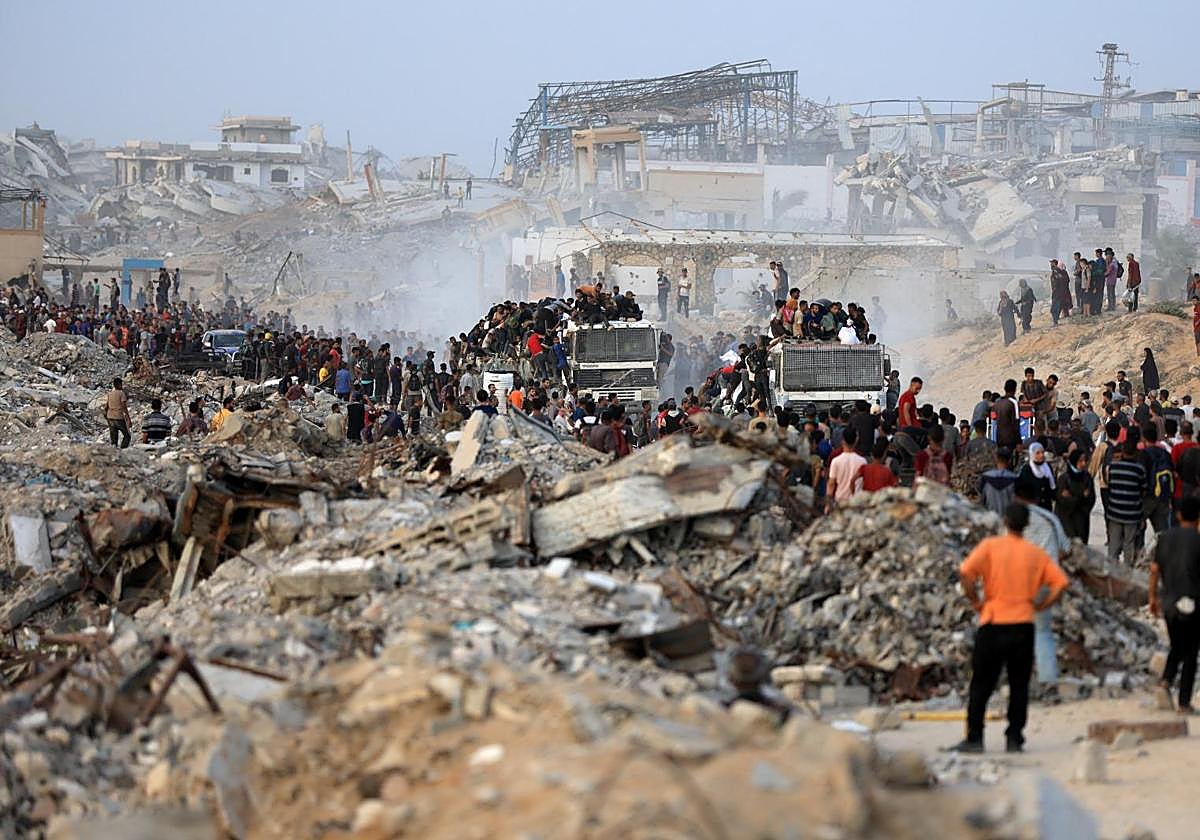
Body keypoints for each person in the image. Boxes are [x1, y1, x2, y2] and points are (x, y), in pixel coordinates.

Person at [950, 503, 1069, 753]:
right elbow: (1060, 583)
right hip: (1023, 624)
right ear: (1026, 525)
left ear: (1005, 521)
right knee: (1019, 683)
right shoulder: (1035, 554)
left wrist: (976, 602)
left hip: (993, 621)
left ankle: (975, 737)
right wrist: (1042, 604)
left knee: (981, 683)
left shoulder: (990, 547)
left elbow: (966, 575)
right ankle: (1014, 737)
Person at [1149, 497, 1200, 713]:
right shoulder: (1198, 540)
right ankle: (1183, 703)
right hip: (1193, 602)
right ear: (1198, 518)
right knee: (1190, 653)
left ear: (1178, 515)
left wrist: (1152, 597)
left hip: (1169, 603)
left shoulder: (1165, 538)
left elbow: (1153, 570)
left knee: (1178, 645)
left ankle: (1166, 680)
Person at [1105, 439, 1148, 564]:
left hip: (1114, 511)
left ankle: (1113, 572)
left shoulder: (1113, 467)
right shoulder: (1139, 469)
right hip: (1132, 514)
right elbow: (1143, 491)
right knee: (1129, 544)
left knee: (1113, 544)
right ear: (1135, 453)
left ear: (1123, 452)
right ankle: (1127, 572)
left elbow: (1110, 485)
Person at [1055, 448, 1096, 542]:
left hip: (1082, 521)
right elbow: (1061, 500)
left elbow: (1090, 498)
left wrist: (1073, 497)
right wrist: (1081, 497)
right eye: (1080, 461)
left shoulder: (1087, 477)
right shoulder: (1064, 479)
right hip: (1066, 521)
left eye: (1085, 461)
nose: (1083, 464)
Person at [826, 427, 866, 511]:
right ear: (856, 441)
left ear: (843, 440)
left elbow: (831, 484)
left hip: (840, 500)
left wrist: (828, 504)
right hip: (856, 502)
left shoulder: (836, 461)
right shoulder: (862, 461)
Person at [979, 447, 1018, 516]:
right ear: (1009, 460)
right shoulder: (1015, 479)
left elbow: (982, 500)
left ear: (996, 459)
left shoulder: (985, 477)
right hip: (1008, 520)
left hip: (990, 519)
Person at [1017, 442, 1056, 510]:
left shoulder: (1047, 467)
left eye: (1042, 452)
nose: (1041, 455)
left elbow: (1051, 487)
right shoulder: (1027, 469)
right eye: (1037, 453)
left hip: (1046, 507)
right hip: (1032, 507)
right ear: (1032, 454)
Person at [104, 378, 132, 449]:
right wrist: (128, 419)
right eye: (121, 384)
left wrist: (106, 416)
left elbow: (106, 406)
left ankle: (114, 452)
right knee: (127, 435)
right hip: (118, 417)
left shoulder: (110, 394)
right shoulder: (121, 393)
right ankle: (122, 450)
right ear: (119, 384)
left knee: (114, 438)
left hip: (110, 417)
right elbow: (124, 407)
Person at [993, 379, 1020, 451]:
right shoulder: (1014, 402)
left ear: (1004, 388)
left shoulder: (998, 402)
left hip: (999, 438)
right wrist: (1019, 441)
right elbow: (1016, 423)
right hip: (1010, 439)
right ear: (1014, 389)